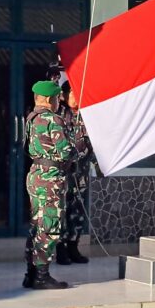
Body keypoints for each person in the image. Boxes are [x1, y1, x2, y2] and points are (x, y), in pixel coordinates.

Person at [22, 80, 72, 290]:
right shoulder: (53, 120)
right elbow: (66, 150)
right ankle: (42, 276)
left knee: (36, 224)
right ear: (51, 99)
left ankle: (31, 273)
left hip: (35, 174)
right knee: (49, 225)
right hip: (51, 177)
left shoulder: (31, 119)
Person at [55, 85, 102, 265]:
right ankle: (60, 248)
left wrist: (99, 167)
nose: (75, 98)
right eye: (72, 94)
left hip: (81, 173)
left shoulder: (86, 117)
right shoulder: (59, 116)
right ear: (64, 96)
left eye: (78, 94)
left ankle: (73, 245)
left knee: (78, 212)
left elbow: (94, 144)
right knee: (62, 212)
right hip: (64, 174)